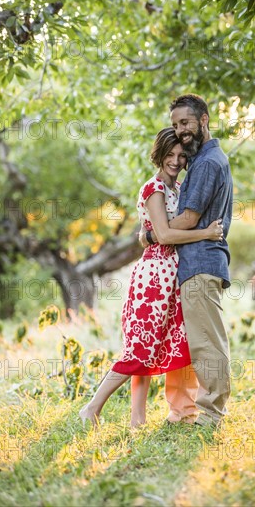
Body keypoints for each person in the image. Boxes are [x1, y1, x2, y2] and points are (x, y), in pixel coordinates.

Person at [79, 127, 223, 428]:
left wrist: (150, 235)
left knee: (161, 345)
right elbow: (166, 233)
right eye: (169, 154)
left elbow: (158, 232)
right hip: (154, 277)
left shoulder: (178, 187)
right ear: (158, 155)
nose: (175, 160)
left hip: (173, 274)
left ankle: (138, 421)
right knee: (140, 348)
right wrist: (207, 233)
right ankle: (91, 408)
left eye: (181, 155)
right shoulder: (154, 188)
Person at [143, 94, 233, 427]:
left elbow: (189, 218)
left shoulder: (208, 162)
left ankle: (211, 415)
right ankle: (198, 410)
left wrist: (155, 234)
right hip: (197, 265)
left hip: (201, 263)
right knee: (203, 341)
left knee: (208, 343)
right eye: (176, 125)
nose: (181, 130)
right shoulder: (201, 161)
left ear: (204, 119)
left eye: (186, 122)